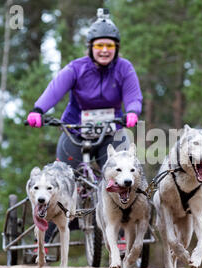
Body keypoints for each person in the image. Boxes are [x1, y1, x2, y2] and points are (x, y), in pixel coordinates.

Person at [26, 8, 142, 243]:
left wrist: (132, 112)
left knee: (123, 172)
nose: (104, 51)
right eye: (99, 46)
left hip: (111, 130)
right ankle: (47, 236)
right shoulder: (76, 68)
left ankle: (121, 233)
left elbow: (133, 96)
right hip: (75, 130)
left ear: (116, 48)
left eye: (109, 46)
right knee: (59, 177)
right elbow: (55, 89)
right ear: (91, 47)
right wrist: (38, 110)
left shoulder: (124, 68)